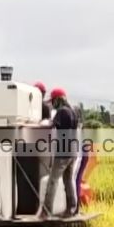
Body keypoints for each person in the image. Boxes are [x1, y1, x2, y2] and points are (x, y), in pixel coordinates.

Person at [40, 88, 79, 219]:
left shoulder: (62, 112)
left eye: (53, 101)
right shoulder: (73, 111)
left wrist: (41, 124)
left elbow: (50, 125)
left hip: (63, 152)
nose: (52, 104)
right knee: (68, 180)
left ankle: (46, 211)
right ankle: (71, 209)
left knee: (52, 181)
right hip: (73, 151)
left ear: (58, 99)